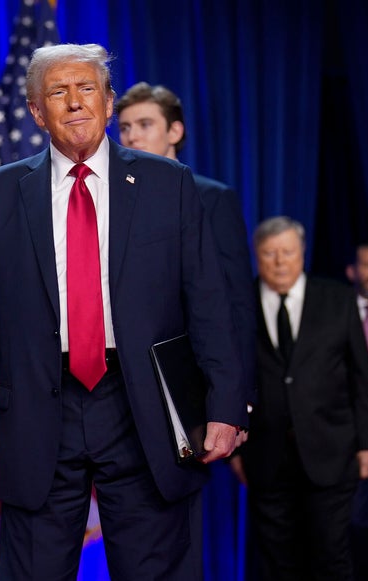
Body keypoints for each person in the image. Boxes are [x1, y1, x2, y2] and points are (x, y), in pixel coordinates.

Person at [0, 43, 247, 580]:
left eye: (87, 90)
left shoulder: (168, 184)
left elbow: (209, 302)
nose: (75, 102)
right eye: (58, 92)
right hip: (38, 406)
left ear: (108, 104)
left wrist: (225, 404)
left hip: (142, 405)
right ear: (38, 111)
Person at [231, 217, 368, 580]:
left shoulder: (337, 298)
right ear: (256, 255)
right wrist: (232, 449)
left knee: (331, 554)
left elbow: (362, 376)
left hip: (333, 453)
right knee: (276, 560)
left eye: (288, 252)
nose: (280, 262)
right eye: (269, 253)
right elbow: (226, 378)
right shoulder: (238, 304)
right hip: (265, 458)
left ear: (303, 254)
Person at [115, 81, 257, 406]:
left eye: (145, 125)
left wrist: (240, 393)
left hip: (191, 371)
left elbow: (237, 302)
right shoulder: (112, 201)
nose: (132, 136)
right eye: (124, 128)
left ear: (175, 131)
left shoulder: (212, 198)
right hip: (126, 376)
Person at [345, 242, 368, 580]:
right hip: (350, 443)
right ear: (351, 271)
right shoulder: (337, 314)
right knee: (356, 525)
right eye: (366, 265)